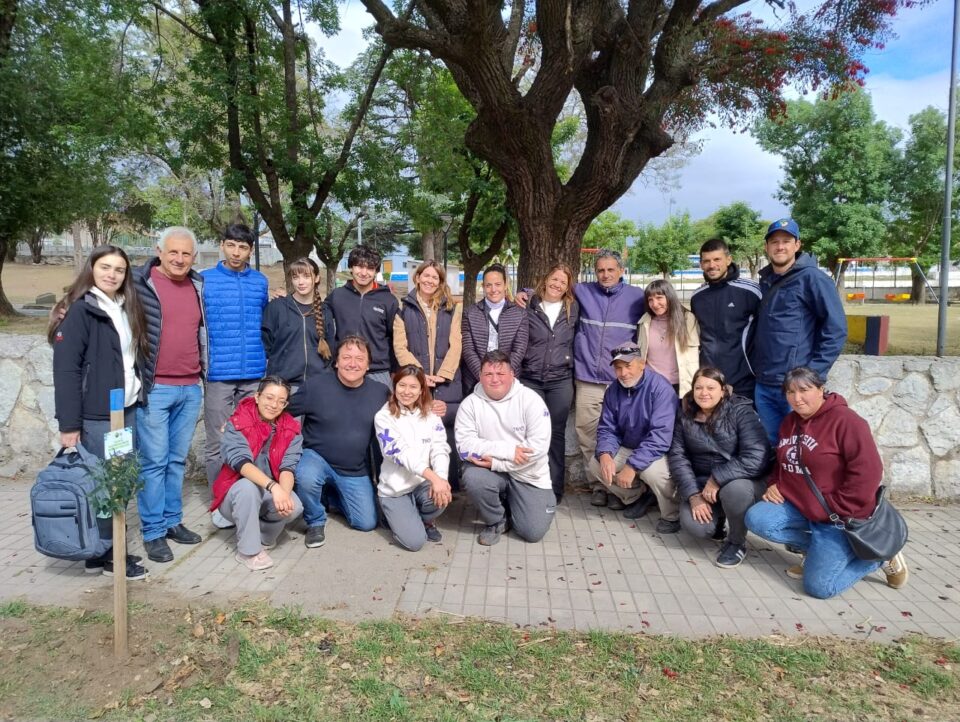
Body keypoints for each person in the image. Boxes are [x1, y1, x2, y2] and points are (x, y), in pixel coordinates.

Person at [745, 367, 909, 599]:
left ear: (821, 389)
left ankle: (877, 557)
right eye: (790, 392)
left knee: (820, 588)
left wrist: (837, 508)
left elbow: (868, 473)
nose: (797, 398)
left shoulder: (847, 422)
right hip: (802, 506)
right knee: (758, 519)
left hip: (839, 516)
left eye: (804, 390)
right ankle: (817, 554)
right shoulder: (790, 422)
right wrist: (775, 482)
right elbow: (783, 459)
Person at [50, 245, 150, 580]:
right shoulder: (81, 311)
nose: (112, 274)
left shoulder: (123, 307)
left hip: (124, 412)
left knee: (115, 483)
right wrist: (69, 425)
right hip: (98, 418)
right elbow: (66, 371)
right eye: (105, 267)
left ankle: (99, 551)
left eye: (119, 270)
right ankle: (110, 555)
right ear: (92, 268)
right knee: (107, 486)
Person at [134, 226, 207, 563]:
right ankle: (152, 532)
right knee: (154, 462)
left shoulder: (197, 285)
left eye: (186, 254)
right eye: (173, 252)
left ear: (193, 257)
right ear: (159, 251)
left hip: (190, 386)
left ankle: (172, 520)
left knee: (176, 461)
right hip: (156, 388)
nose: (179, 259)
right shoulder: (138, 284)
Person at [751, 219, 847, 445]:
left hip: (795, 386)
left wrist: (812, 375)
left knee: (804, 447)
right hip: (764, 383)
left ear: (797, 245)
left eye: (786, 241)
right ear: (766, 247)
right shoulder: (765, 282)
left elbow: (836, 329)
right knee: (775, 446)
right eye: (774, 242)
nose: (780, 247)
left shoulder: (812, 278)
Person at [289, 335, 390, 547]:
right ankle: (315, 520)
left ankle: (332, 495)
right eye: (346, 357)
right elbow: (281, 411)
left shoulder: (380, 393)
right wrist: (245, 417)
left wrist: (431, 407)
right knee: (306, 477)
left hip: (353, 468)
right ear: (336, 361)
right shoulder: (315, 387)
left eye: (359, 358)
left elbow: (404, 415)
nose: (352, 363)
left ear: (368, 364)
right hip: (317, 457)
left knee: (366, 523)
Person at [667, 367, 771, 568]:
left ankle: (736, 542)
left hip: (742, 480)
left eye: (711, 388)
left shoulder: (741, 411)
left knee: (735, 490)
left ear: (723, 390)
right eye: (698, 388)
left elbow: (757, 457)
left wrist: (717, 479)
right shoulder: (685, 413)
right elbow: (678, 457)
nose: (704, 393)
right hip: (703, 484)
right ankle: (719, 521)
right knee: (697, 528)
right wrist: (693, 495)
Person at [455, 350, 555, 546]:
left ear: (512, 375)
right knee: (473, 477)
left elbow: (537, 450)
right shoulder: (470, 404)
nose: (494, 379)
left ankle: (521, 503)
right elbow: (464, 445)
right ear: (480, 376)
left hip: (528, 474)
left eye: (500, 374)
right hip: (491, 470)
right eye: (488, 374)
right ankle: (497, 519)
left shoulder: (531, 400)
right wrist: (508, 452)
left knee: (532, 532)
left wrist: (497, 463)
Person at [201, 224, 269, 494]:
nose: (236, 252)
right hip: (218, 373)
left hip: (253, 372)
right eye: (231, 245)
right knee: (217, 439)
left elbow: (265, 319)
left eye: (243, 247)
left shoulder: (260, 282)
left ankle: (250, 495)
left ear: (250, 250)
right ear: (222, 245)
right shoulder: (204, 280)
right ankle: (219, 499)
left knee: (253, 437)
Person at [209, 377, 303, 571]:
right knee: (247, 488)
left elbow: (288, 467)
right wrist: (273, 487)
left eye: (281, 401)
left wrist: (283, 494)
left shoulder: (291, 428)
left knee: (295, 507)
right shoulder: (237, 423)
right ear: (257, 396)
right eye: (269, 397)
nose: (274, 405)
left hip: (268, 492)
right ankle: (248, 552)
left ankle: (263, 538)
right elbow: (241, 463)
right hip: (235, 494)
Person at [589, 344, 680, 531]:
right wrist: (605, 453)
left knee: (653, 473)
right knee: (596, 464)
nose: (623, 373)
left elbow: (660, 437)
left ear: (642, 364)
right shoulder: (613, 390)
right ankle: (637, 496)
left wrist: (632, 466)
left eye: (628, 366)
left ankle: (672, 515)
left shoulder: (661, 388)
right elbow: (607, 428)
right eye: (618, 367)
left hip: (658, 451)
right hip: (628, 445)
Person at [393, 259, 463, 488]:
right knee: (418, 428)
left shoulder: (452, 307)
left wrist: (444, 373)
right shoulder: (403, 308)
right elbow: (400, 347)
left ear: (441, 281)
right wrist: (421, 375)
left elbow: (457, 342)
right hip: (417, 380)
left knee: (445, 427)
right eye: (426, 275)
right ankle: (419, 483)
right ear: (417, 277)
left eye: (435, 277)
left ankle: (448, 483)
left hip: (446, 381)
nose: (430, 281)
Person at [374, 365, 453, 551]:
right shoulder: (383, 417)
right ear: (394, 386)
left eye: (413, 387)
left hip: (421, 483)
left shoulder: (431, 414)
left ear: (421, 390)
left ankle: (424, 521)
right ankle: (390, 514)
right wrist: (434, 478)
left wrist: (441, 478)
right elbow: (400, 453)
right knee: (415, 543)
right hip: (395, 489)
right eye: (402, 385)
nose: (407, 392)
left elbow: (440, 447)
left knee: (441, 495)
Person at [519, 264, 579, 503]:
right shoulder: (528, 305)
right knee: (529, 432)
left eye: (563, 282)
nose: (557, 285)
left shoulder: (573, 308)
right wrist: (522, 292)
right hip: (530, 378)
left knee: (555, 434)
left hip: (560, 379)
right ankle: (527, 483)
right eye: (554, 279)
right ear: (545, 279)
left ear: (567, 287)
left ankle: (555, 489)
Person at [689, 238, 761, 399]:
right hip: (710, 383)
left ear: (728, 260)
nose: (712, 265)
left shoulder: (751, 291)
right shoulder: (697, 297)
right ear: (701, 264)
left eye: (717, 259)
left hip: (744, 382)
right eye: (706, 261)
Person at [323, 245, 399, 388]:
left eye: (370, 268)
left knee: (381, 411)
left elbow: (395, 338)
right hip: (343, 370)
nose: (364, 273)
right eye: (359, 266)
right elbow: (315, 313)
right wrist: (287, 298)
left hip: (378, 371)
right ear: (351, 267)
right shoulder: (337, 296)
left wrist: (394, 370)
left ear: (376, 271)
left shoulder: (388, 300)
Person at [261, 257, 331, 389]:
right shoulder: (277, 307)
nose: (301, 282)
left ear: (316, 278)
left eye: (306, 276)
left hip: (319, 385)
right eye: (295, 277)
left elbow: (332, 347)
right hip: (284, 386)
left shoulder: (325, 311)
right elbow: (266, 346)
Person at [461, 263, 528, 394]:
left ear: (505, 284)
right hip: (475, 379)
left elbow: (519, 349)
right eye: (488, 285)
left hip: (509, 379)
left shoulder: (519, 313)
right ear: (483, 287)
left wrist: (503, 375)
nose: (493, 289)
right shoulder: (470, 313)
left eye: (497, 284)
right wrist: (483, 375)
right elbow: (468, 349)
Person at [636, 279, 700, 397]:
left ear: (669, 297)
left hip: (681, 387)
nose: (654, 304)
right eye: (650, 300)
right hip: (650, 385)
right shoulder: (644, 321)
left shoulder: (687, 319)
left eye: (659, 298)